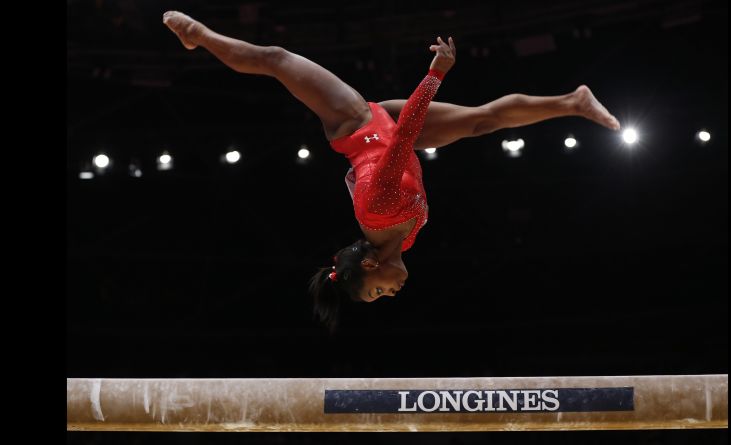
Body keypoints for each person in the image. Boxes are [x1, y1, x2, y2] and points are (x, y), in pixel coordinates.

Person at [163, 11, 621, 330]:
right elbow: (404, 139)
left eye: (377, 292)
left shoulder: (379, 211)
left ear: (370, 264)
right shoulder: (408, 237)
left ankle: (199, 36)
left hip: (358, 123)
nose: (391, 294)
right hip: (394, 130)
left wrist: (436, 73)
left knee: (277, 60)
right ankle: (573, 102)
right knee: (484, 120)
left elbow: (403, 137)